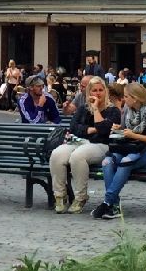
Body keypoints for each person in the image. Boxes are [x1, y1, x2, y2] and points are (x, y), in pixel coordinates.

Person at [48, 76, 119, 214]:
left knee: (77, 156)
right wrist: (90, 129)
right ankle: (60, 195)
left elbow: (104, 130)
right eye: (94, 90)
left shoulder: (113, 110)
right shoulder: (83, 108)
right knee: (57, 154)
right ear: (89, 93)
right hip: (79, 141)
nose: (97, 93)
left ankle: (81, 196)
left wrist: (96, 110)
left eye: (100, 90)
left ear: (105, 91)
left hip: (101, 144)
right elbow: (74, 128)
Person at [94, 82, 146, 219]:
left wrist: (134, 135)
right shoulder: (127, 109)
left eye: (126, 96)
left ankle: (107, 203)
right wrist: (118, 129)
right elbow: (125, 132)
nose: (124, 99)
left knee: (126, 161)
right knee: (107, 161)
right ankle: (114, 206)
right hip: (129, 148)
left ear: (135, 98)